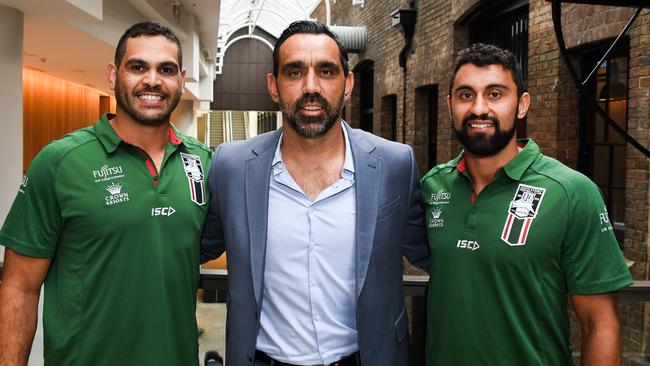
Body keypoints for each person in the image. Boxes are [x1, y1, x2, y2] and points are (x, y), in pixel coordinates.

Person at [201, 20, 429, 366]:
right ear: (274, 86)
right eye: (294, 72)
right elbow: (189, 245)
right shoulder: (230, 167)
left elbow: (438, 250)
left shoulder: (394, 164)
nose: (311, 86)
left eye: (326, 71)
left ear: (348, 84)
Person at [0, 21, 211, 365]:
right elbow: (19, 288)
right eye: (138, 66)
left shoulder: (202, 162)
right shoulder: (60, 162)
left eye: (166, 69)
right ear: (114, 76)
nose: (153, 80)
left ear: (182, 79)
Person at [422, 43, 633, 365]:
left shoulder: (572, 192)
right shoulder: (432, 186)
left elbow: (599, 324)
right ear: (450, 105)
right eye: (466, 95)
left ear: (521, 105)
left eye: (495, 94)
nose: (479, 108)